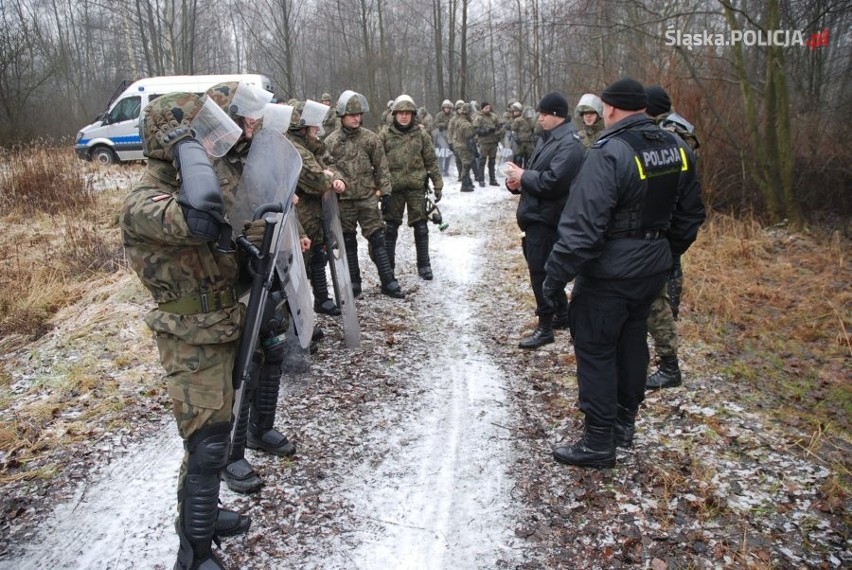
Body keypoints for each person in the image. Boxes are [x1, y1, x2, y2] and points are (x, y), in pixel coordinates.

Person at [543, 78, 705, 468]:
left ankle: (599, 441)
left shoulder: (609, 151)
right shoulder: (678, 147)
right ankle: (623, 426)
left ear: (610, 110)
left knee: (597, 350)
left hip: (609, 275)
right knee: (632, 342)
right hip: (651, 269)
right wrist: (663, 252)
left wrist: (554, 277)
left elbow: (582, 227)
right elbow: (691, 215)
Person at [121, 92, 251, 570]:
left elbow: (221, 237)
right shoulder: (146, 201)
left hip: (220, 324)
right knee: (208, 442)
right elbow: (201, 215)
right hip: (189, 337)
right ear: (172, 139)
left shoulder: (189, 184)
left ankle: (205, 515)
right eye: (197, 131)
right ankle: (193, 554)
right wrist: (187, 147)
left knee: (213, 433)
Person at [205, 81, 298, 494]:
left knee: (273, 347)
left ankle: (263, 428)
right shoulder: (203, 161)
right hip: (227, 276)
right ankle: (231, 453)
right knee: (242, 364)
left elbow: (269, 200)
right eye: (245, 115)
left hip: (261, 268)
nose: (253, 121)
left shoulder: (251, 155)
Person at [504, 92, 584, 349]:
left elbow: (554, 182)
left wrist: (524, 175)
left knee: (541, 273)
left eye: (544, 114)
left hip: (550, 218)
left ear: (558, 115)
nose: (540, 118)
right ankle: (561, 315)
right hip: (537, 215)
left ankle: (546, 326)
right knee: (543, 269)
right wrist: (517, 183)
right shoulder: (548, 139)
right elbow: (539, 176)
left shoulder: (570, 145)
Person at [643, 85, 702, 390]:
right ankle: (663, 359)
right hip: (670, 234)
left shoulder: (667, 139)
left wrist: (671, 243)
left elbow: (681, 200)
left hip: (666, 235)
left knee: (658, 300)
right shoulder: (677, 133)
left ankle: (669, 366)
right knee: (663, 297)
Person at [324, 90, 405, 299]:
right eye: (352, 115)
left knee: (378, 238)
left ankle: (388, 280)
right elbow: (325, 166)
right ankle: (353, 282)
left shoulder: (371, 138)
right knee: (348, 241)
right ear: (342, 116)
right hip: (344, 201)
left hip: (368, 197)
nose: (356, 118)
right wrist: (335, 178)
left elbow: (382, 167)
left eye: (359, 114)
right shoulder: (331, 142)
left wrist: (386, 193)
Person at [283, 100, 347, 316]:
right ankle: (299, 316)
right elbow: (317, 181)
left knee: (318, 255)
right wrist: (327, 178)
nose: (318, 129)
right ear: (301, 128)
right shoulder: (296, 149)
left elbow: (330, 167)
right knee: (300, 266)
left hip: (313, 213)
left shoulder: (311, 147)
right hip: (301, 216)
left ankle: (321, 300)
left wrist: (333, 176)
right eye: (313, 126)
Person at [379, 94, 444, 280]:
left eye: (408, 113)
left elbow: (431, 161)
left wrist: (437, 184)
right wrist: (379, 188)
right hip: (393, 189)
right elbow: (377, 162)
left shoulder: (421, 135)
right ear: (394, 114)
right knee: (390, 228)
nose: (404, 117)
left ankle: (424, 265)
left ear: (413, 115)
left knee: (421, 227)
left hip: (416, 187)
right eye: (401, 113)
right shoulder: (384, 135)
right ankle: (388, 267)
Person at [451, 102, 477, 192]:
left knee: (466, 164)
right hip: (464, 146)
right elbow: (470, 136)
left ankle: (468, 182)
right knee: (467, 164)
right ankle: (465, 185)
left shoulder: (459, 120)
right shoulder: (465, 124)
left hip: (458, 145)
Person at [473, 102, 502, 186]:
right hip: (483, 143)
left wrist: (498, 129)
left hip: (493, 142)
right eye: (486, 108)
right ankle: (481, 180)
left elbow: (499, 126)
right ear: (482, 108)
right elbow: (475, 129)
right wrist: (485, 131)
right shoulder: (479, 117)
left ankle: (492, 180)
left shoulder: (494, 116)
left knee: (492, 162)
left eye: (489, 108)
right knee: (482, 161)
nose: (488, 109)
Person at [509, 101, 535, 167]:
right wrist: (516, 138)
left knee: (529, 158)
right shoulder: (518, 120)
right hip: (520, 143)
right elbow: (513, 130)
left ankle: (526, 172)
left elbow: (533, 129)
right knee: (518, 158)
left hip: (529, 142)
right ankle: (518, 172)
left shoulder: (531, 121)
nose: (529, 114)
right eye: (527, 112)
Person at [433, 100, 455, 176]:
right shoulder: (439, 115)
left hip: (449, 136)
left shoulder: (453, 115)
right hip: (440, 136)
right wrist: (443, 125)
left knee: (448, 154)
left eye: (448, 108)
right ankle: (441, 170)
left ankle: (446, 170)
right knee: (440, 154)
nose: (447, 109)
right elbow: (435, 124)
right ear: (443, 108)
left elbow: (454, 124)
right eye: (445, 108)